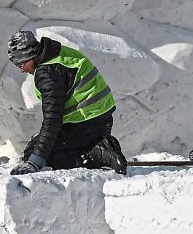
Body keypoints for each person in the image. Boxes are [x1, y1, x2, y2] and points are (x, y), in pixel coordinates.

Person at [7, 31, 127, 175]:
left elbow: (52, 120)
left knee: (38, 154)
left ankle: (96, 153)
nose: (21, 69)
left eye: (21, 63)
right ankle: (97, 146)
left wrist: (34, 162)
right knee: (38, 147)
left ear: (30, 56)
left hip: (86, 122)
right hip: (98, 117)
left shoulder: (48, 73)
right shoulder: (54, 53)